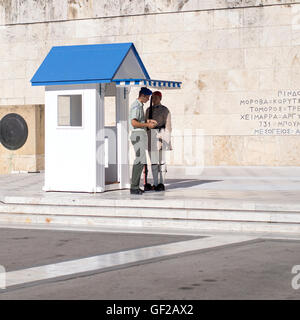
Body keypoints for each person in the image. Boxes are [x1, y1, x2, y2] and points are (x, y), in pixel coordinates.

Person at [129, 87, 157, 195]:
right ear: (143, 96)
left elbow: (139, 120)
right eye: (148, 97)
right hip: (137, 135)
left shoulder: (139, 105)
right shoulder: (136, 106)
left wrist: (148, 121)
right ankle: (134, 187)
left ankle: (135, 186)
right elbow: (134, 123)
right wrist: (147, 125)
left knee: (141, 160)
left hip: (140, 135)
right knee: (140, 160)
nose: (148, 99)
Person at [144, 91, 172, 192]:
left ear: (160, 98)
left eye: (156, 97)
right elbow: (145, 124)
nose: (154, 99)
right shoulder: (148, 110)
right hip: (151, 136)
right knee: (154, 162)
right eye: (153, 97)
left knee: (162, 161)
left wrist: (165, 138)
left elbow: (168, 126)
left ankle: (162, 183)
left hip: (161, 137)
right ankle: (155, 183)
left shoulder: (165, 110)